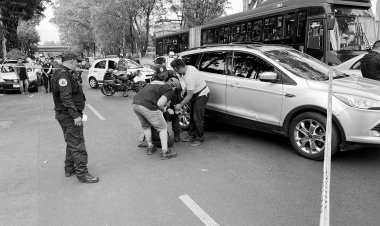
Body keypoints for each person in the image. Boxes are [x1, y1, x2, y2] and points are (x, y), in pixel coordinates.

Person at [51, 51, 99, 183]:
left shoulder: (64, 73)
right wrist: (75, 116)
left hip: (66, 115)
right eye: (77, 62)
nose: (78, 64)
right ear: (71, 61)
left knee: (71, 142)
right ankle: (82, 174)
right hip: (69, 116)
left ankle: (69, 168)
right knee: (77, 145)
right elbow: (65, 98)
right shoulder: (63, 75)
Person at [132, 77, 181, 160]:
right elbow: (159, 103)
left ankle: (150, 147)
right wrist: (163, 109)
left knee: (146, 126)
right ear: (174, 87)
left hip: (136, 104)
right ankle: (165, 152)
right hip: (147, 106)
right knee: (163, 128)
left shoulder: (155, 82)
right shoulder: (169, 89)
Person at [171, 58, 210, 147]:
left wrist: (180, 105)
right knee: (192, 115)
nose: (176, 73)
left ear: (181, 67)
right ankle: (192, 135)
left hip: (202, 95)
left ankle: (200, 138)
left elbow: (189, 95)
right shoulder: (185, 70)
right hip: (195, 93)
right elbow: (187, 85)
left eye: (176, 70)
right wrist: (185, 89)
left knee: (197, 118)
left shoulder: (190, 75)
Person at [152, 65, 182, 142]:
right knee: (163, 115)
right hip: (162, 97)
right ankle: (164, 134)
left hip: (173, 95)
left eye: (165, 75)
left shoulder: (172, 74)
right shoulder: (155, 77)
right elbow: (154, 90)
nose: (164, 77)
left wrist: (179, 103)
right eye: (161, 76)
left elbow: (178, 88)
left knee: (175, 114)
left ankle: (177, 134)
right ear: (158, 74)